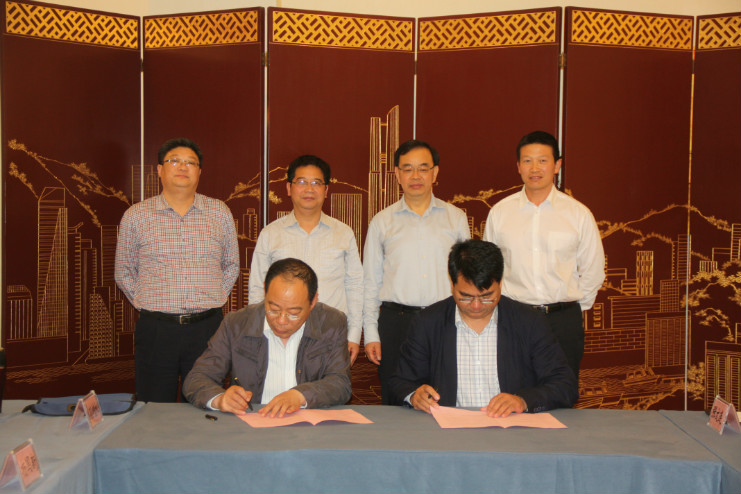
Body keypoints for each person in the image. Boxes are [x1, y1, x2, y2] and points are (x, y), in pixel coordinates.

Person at [390, 239, 578, 417]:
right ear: (452, 285)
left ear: (500, 284)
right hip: (448, 430)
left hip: (511, 429)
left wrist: (523, 401)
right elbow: (400, 382)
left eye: (487, 296)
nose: (476, 306)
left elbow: (565, 385)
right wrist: (414, 396)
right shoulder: (428, 323)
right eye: (466, 297)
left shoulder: (529, 322)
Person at [115, 137, 239, 403]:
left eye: (190, 163)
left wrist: (214, 297)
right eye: (174, 161)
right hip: (157, 330)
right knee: (153, 407)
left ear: (199, 171)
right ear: (160, 169)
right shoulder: (136, 216)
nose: (183, 167)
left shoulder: (219, 213)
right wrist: (147, 302)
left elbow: (231, 265)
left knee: (207, 404)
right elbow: (123, 271)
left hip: (208, 329)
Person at [484, 130, 605, 382]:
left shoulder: (578, 214)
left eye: (542, 160)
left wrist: (570, 308)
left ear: (557, 165)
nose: (535, 168)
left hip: (562, 321)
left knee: (562, 391)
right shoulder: (500, 213)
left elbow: (593, 270)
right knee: (513, 390)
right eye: (527, 161)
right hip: (514, 318)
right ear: (518, 166)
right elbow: (489, 269)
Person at [363, 139, 470, 404]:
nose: (415, 176)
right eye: (408, 169)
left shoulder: (455, 218)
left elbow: (466, 280)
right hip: (396, 323)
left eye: (423, 168)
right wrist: (371, 334)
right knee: (396, 400)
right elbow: (370, 283)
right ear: (397, 174)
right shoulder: (382, 222)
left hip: (444, 320)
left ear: (435, 172)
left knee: (445, 399)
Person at [183, 258, 351, 417]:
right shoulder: (237, 324)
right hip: (252, 421)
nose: (281, 320)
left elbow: (340, 383)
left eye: (293, 313)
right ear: (265, 291)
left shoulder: (331, 323)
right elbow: (197, 378)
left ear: (313, 302)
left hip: (307, 424)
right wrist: (220, 399)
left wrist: (300, 395)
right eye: (273, 309)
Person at [248, 155, 363, 364]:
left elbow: (355, 286)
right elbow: (257, 287)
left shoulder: (343, 233)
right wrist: (259, 332)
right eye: (301, 182)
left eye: (316, 183)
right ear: (289, 188)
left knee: (330, 385)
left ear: (326, 190)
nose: (309, 189)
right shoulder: (271, 234)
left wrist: (353, 335)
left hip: (331, 335)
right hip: (281, 333)